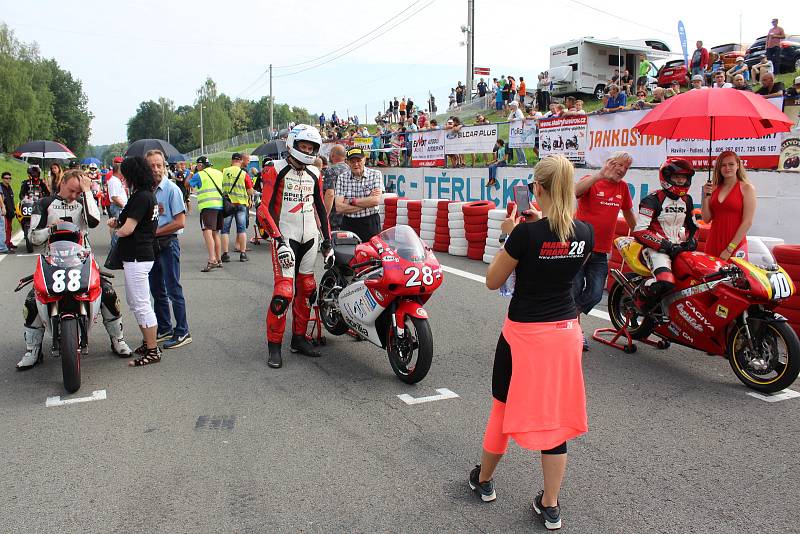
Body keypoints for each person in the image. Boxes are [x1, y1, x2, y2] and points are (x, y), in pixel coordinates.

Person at [471, 155, 593, 531]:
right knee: (554, 420)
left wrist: (509, 233)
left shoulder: (524, 234)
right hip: (565, 333)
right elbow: (557, 252)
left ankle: (485, 481)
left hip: (524, 333)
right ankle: (550, 504)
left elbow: (493, 280)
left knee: (502, 406)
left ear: (536, 188)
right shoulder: (585, 232)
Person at [17, 170, 132, 369]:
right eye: (71, 190)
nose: (73, 196)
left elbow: (94, 221)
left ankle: (117, 339)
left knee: (107, 292)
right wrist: (50, 229)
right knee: (33, 298)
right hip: (52, 260)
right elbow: (33, 238)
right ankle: (32, 349)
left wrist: (87, 192)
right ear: (61, 183)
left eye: (77, 192)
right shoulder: (43, 204)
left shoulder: (83, 202)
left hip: (82, 258)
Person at [257, 124, 333, 368]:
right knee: (283, 294)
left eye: (312, 147)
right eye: (304, 146)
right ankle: (274, 346)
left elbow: (321, 207)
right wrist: (277, 240)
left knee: (308, 289)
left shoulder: (315, 173)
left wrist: (328, 241)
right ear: (292, 143)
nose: (308, 150)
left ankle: (299, 339)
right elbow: (263, 209)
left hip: (310, 235)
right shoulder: (274, 170)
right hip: (285, 236)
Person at [572, 152, 636, 350]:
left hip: (600, 251)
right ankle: (575, 332)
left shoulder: (623, 188)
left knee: (595, 294)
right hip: (578, 247)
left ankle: (567, 316)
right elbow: (573, 192)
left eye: (626, 168)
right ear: (609, 163)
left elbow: (628, 214)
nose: (621, 170)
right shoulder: (592, 181)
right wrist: (599, 176)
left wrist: (640, 234)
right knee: (574, 290)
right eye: (619, 165)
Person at [108, 157, 161, 366]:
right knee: (135, 302)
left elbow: (129, 228)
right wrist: (119, 222)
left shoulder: (141, 197)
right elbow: (130, 220)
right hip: (139, 255)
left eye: (125, 174)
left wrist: (116, 231)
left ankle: (152, 349)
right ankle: (149, 343)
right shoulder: (144, 195)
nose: (123, 178)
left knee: (141, 304)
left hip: (138, 255)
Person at [632, 158, 698, 312]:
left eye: (684, 178)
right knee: (665, 282)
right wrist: (664, 245)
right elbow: (639, 231)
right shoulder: (652, 200)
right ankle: (639, 294)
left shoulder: (687, 200)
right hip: (655, 249)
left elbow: (693, 226)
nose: (681, 181)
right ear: (666, 177)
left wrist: (692, 240)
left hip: (678, 247)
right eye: (677, 177)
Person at [145, 150, 191, 350]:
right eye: (151, 166)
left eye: (158, 165)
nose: (155, 169)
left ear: (164, 166)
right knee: (156, 289)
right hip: (152, 245)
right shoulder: (147, 190)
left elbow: (180, 222)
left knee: (173, 288)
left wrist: (156, 232)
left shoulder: (172, 190)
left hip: (168, 243)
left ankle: (182, 331)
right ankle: (164, 328)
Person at [701, 151, 756, 260]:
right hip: (713, 241)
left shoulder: (747, 188)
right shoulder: (713, 188)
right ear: (719, 168)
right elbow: (706, 219)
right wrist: (705, 197)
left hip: (735, 245)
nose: (727, 168)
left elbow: (747, 222)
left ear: (738, 166)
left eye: (731, 164)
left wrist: (729, 249)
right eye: (723, 165)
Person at [335, 147, 384, 243]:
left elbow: (375, 201)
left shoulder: (376, 174)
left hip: (370, 223)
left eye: (358, 160)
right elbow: (339, 208)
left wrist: (350, 201)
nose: (356, 164)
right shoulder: (342, 177)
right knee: (348, 256)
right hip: (349, 223)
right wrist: (367, 202)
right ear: (347, 162)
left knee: (372, 255)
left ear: (365, 159)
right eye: (352, 161)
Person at [188, 155, 224, 272]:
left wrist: (191, 173)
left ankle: (212, 259)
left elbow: (187, 184)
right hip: (219, 205)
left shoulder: (199, 175)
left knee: (207, 232)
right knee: (216, 233)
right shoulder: (218, 173)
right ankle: (219, 259)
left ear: (200, 165)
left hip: (207, 206)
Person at [221, 152, 254, 263]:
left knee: (225, 230)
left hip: (228, 204)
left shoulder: (224, 171)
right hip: (241, 204)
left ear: (232, 161)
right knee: (241, 229)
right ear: (240, 161)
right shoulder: (244, 174)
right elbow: (250, 191)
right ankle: (243, 254)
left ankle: (225, 254)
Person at [323, 144, 349, 230]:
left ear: (332, 154)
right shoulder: (350, 169)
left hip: (334, 217)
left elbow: (330, 194)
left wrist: (324, 217)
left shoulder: (331, 170)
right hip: (348, 214)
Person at [106, 156, 128, 250]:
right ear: (119, 171)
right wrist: (124, 206)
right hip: (117, 207)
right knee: (118, 229)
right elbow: (114, 197)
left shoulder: (116, 180)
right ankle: (116, 249)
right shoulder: (114, 181)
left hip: (118, 207)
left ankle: (117, 248)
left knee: (119, 228)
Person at [507, 101, 527, 166]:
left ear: (514, 105)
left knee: (519, 146)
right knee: (516, 146)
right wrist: (511, 119)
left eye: (511, 105)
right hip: (514, 131)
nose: (510, 106)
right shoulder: (512, 112)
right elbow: (508, 118)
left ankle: (524, 161)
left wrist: (514, 119)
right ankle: (520, 161)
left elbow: (521, 117)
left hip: (518, 130)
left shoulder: (518, 111)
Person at [1, 171, 15, 250]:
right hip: (4, 212)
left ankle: (8, 242)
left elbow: (11, 200)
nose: (8, 180)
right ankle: (5, 245)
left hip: (10, 212)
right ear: (2, 179)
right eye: (6, 178)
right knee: (5, 229)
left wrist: (14, 209)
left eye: (9, 178)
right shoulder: (1, 187)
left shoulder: (9, 187)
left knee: (9, 228)